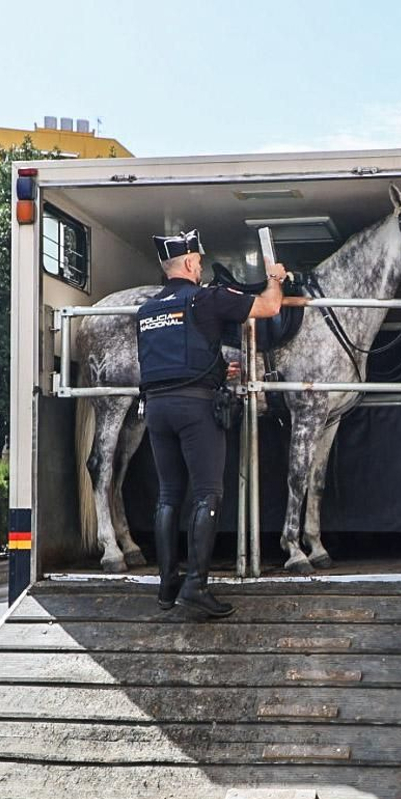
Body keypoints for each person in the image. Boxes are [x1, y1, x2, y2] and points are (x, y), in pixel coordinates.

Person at [139, 229, 285, 619]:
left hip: (156, 410)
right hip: (196, 410)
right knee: (207, 494)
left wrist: (220, 367)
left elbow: (171, 360)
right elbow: (270, 308)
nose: (201, 267)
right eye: (199, 262)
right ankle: (196, 586)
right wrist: (276, 278)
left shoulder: (147, 311)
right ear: (188, 264)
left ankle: (167, 584)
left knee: (169, 495)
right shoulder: (206, 298)